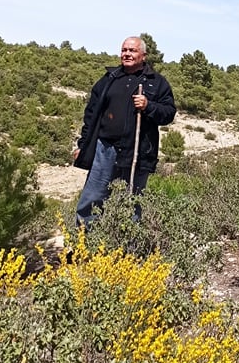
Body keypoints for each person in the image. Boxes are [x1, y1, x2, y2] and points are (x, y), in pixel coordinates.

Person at [73, 36, 176, 225]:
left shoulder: (156, 82)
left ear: (143, 55)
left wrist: (148, 106)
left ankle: (127, 249)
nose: (127, 54)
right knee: (92, 198)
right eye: (124, 50)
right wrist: (83, 144)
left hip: (138, 151)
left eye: (132, 50)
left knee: (132, 201)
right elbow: (91, 115)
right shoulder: (108, 80)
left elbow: (169, 113)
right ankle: (82, 245)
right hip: (105, 149)